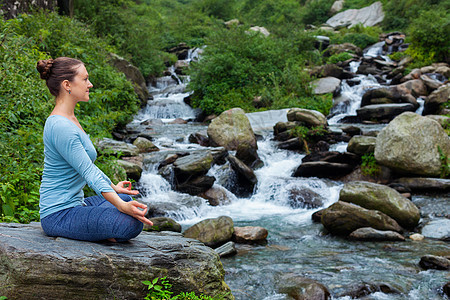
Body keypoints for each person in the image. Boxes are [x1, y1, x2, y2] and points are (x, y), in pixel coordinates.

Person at [36, 57, 153, 242]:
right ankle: (103, 231)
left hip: (77, 205)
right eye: (85, 79)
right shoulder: (61, 126)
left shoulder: (70, 119)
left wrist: (114, 188)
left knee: (125, 199)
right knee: (131, 223)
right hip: (58, 215)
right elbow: (89, 172)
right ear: (67, 84)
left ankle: (101, 229)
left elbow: (85, 165)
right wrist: (120, 207)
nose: (89, 84)